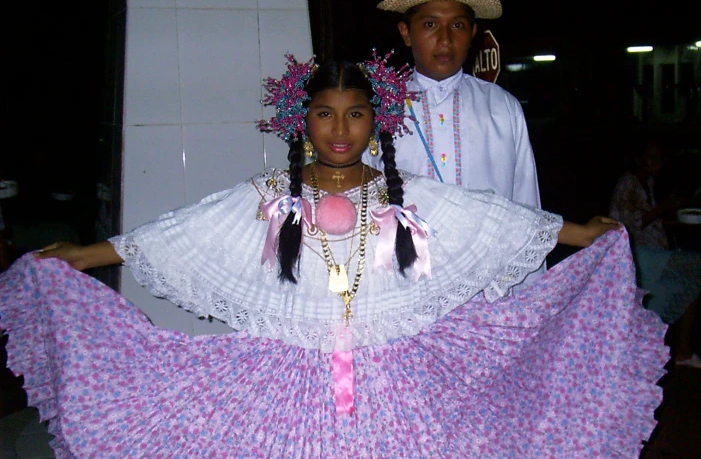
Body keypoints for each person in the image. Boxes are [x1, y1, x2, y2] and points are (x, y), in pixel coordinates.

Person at [0, 53, 667, 458]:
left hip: (402, 386)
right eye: (324, 113)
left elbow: (496, 221)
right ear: (303, 121)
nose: (339, 129)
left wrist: (585, 235)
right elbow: (181, 232)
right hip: (287, 386)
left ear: (374, 121)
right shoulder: (265, 198)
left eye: (354, 114)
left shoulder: (413, 198)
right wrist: (84, 255)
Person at [367, 0, 545, 286]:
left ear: (474, 32)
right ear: (406, 33)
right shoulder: (379, 108)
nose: (445, 39)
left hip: (489, 285)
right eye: (430, 25)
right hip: (404, 287)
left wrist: (530, 293)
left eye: (458, 25)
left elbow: (525, 204)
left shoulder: (502, 107)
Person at [609, 137, 701, 368]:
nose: (658, 163)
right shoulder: (628, 184)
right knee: (700, 266)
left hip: (656, 251)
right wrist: (665, 207)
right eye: (652, 158)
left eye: (660, 158)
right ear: (638, 159)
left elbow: (653, 222)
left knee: (692, 282)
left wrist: (680, 215)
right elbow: (628, 224)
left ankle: (683, 352)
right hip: (638, 255)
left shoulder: (647, 183)